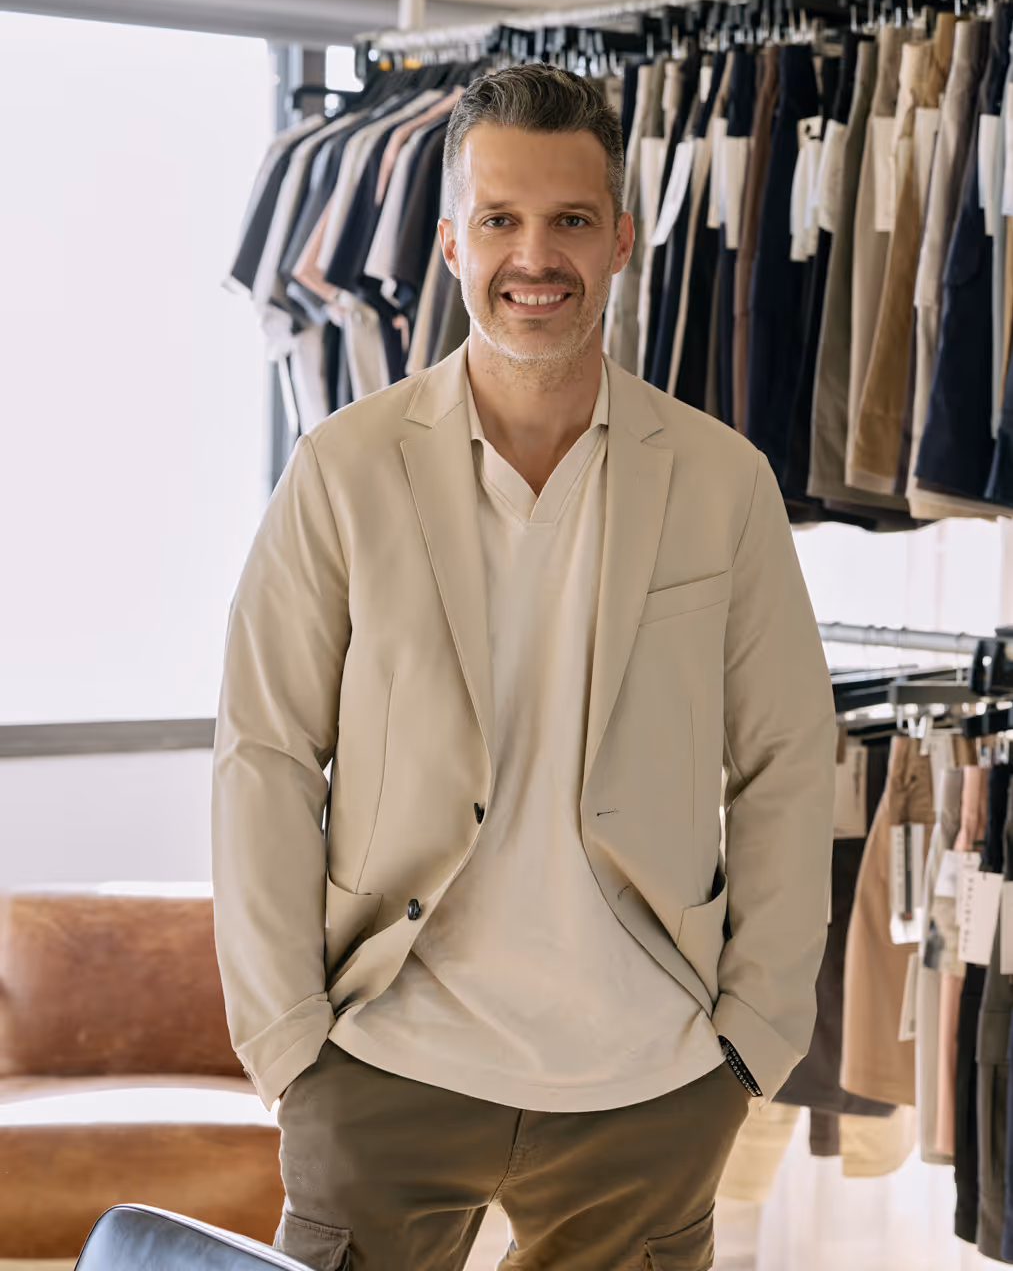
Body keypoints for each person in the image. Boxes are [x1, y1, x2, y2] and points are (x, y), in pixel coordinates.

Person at [211, 64, 836, 1271]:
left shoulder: (720, 482)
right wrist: (286, 1037)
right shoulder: (343, 470)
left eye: (567, 221)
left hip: (647, 1084)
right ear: (449, 242)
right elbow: (265, 752)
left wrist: (753, 1033)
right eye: (499, 219)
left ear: (622, 241)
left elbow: (786, 759)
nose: (531, 255)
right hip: (384, 1062)